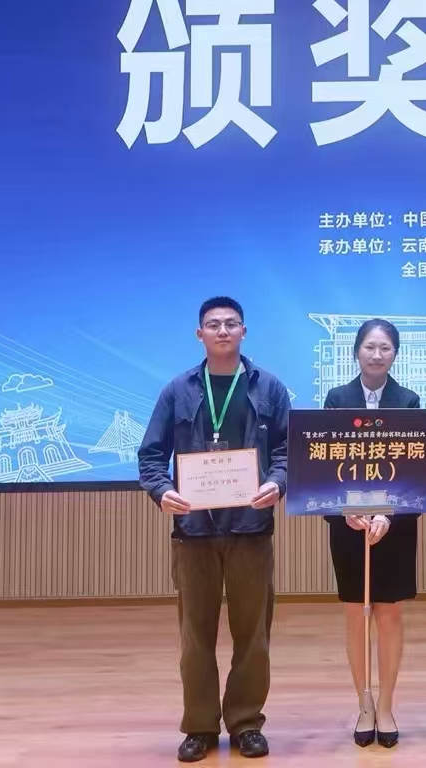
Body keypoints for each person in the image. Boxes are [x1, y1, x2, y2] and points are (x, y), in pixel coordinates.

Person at [138, 297, 290, 762]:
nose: (222, 330)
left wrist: (278, 482)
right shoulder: (177, 390)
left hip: (251, 528)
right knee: (195, 636)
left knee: (253, 635)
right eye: (213, 324)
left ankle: (246, 722)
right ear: (199, 334)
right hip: (194, 531)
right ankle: (200, 726)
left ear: (244, 331)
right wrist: (162, 491)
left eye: (231, 323)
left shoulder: (270, 388)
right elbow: (150, 455)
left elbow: (287, 450)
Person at [319, 319, 420, 749]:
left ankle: (387, 705)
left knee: (389, 614)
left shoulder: (408, 400)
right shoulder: (337, 399)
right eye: (369, 347)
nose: (377, 355)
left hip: (393, 525)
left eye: (385, 348)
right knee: (355, 614)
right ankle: (363, 703)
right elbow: (325, 463)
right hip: (349, 524)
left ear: (395, 354)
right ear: (356, 351)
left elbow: (415, 467)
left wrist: (389, 515)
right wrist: (346, 511)